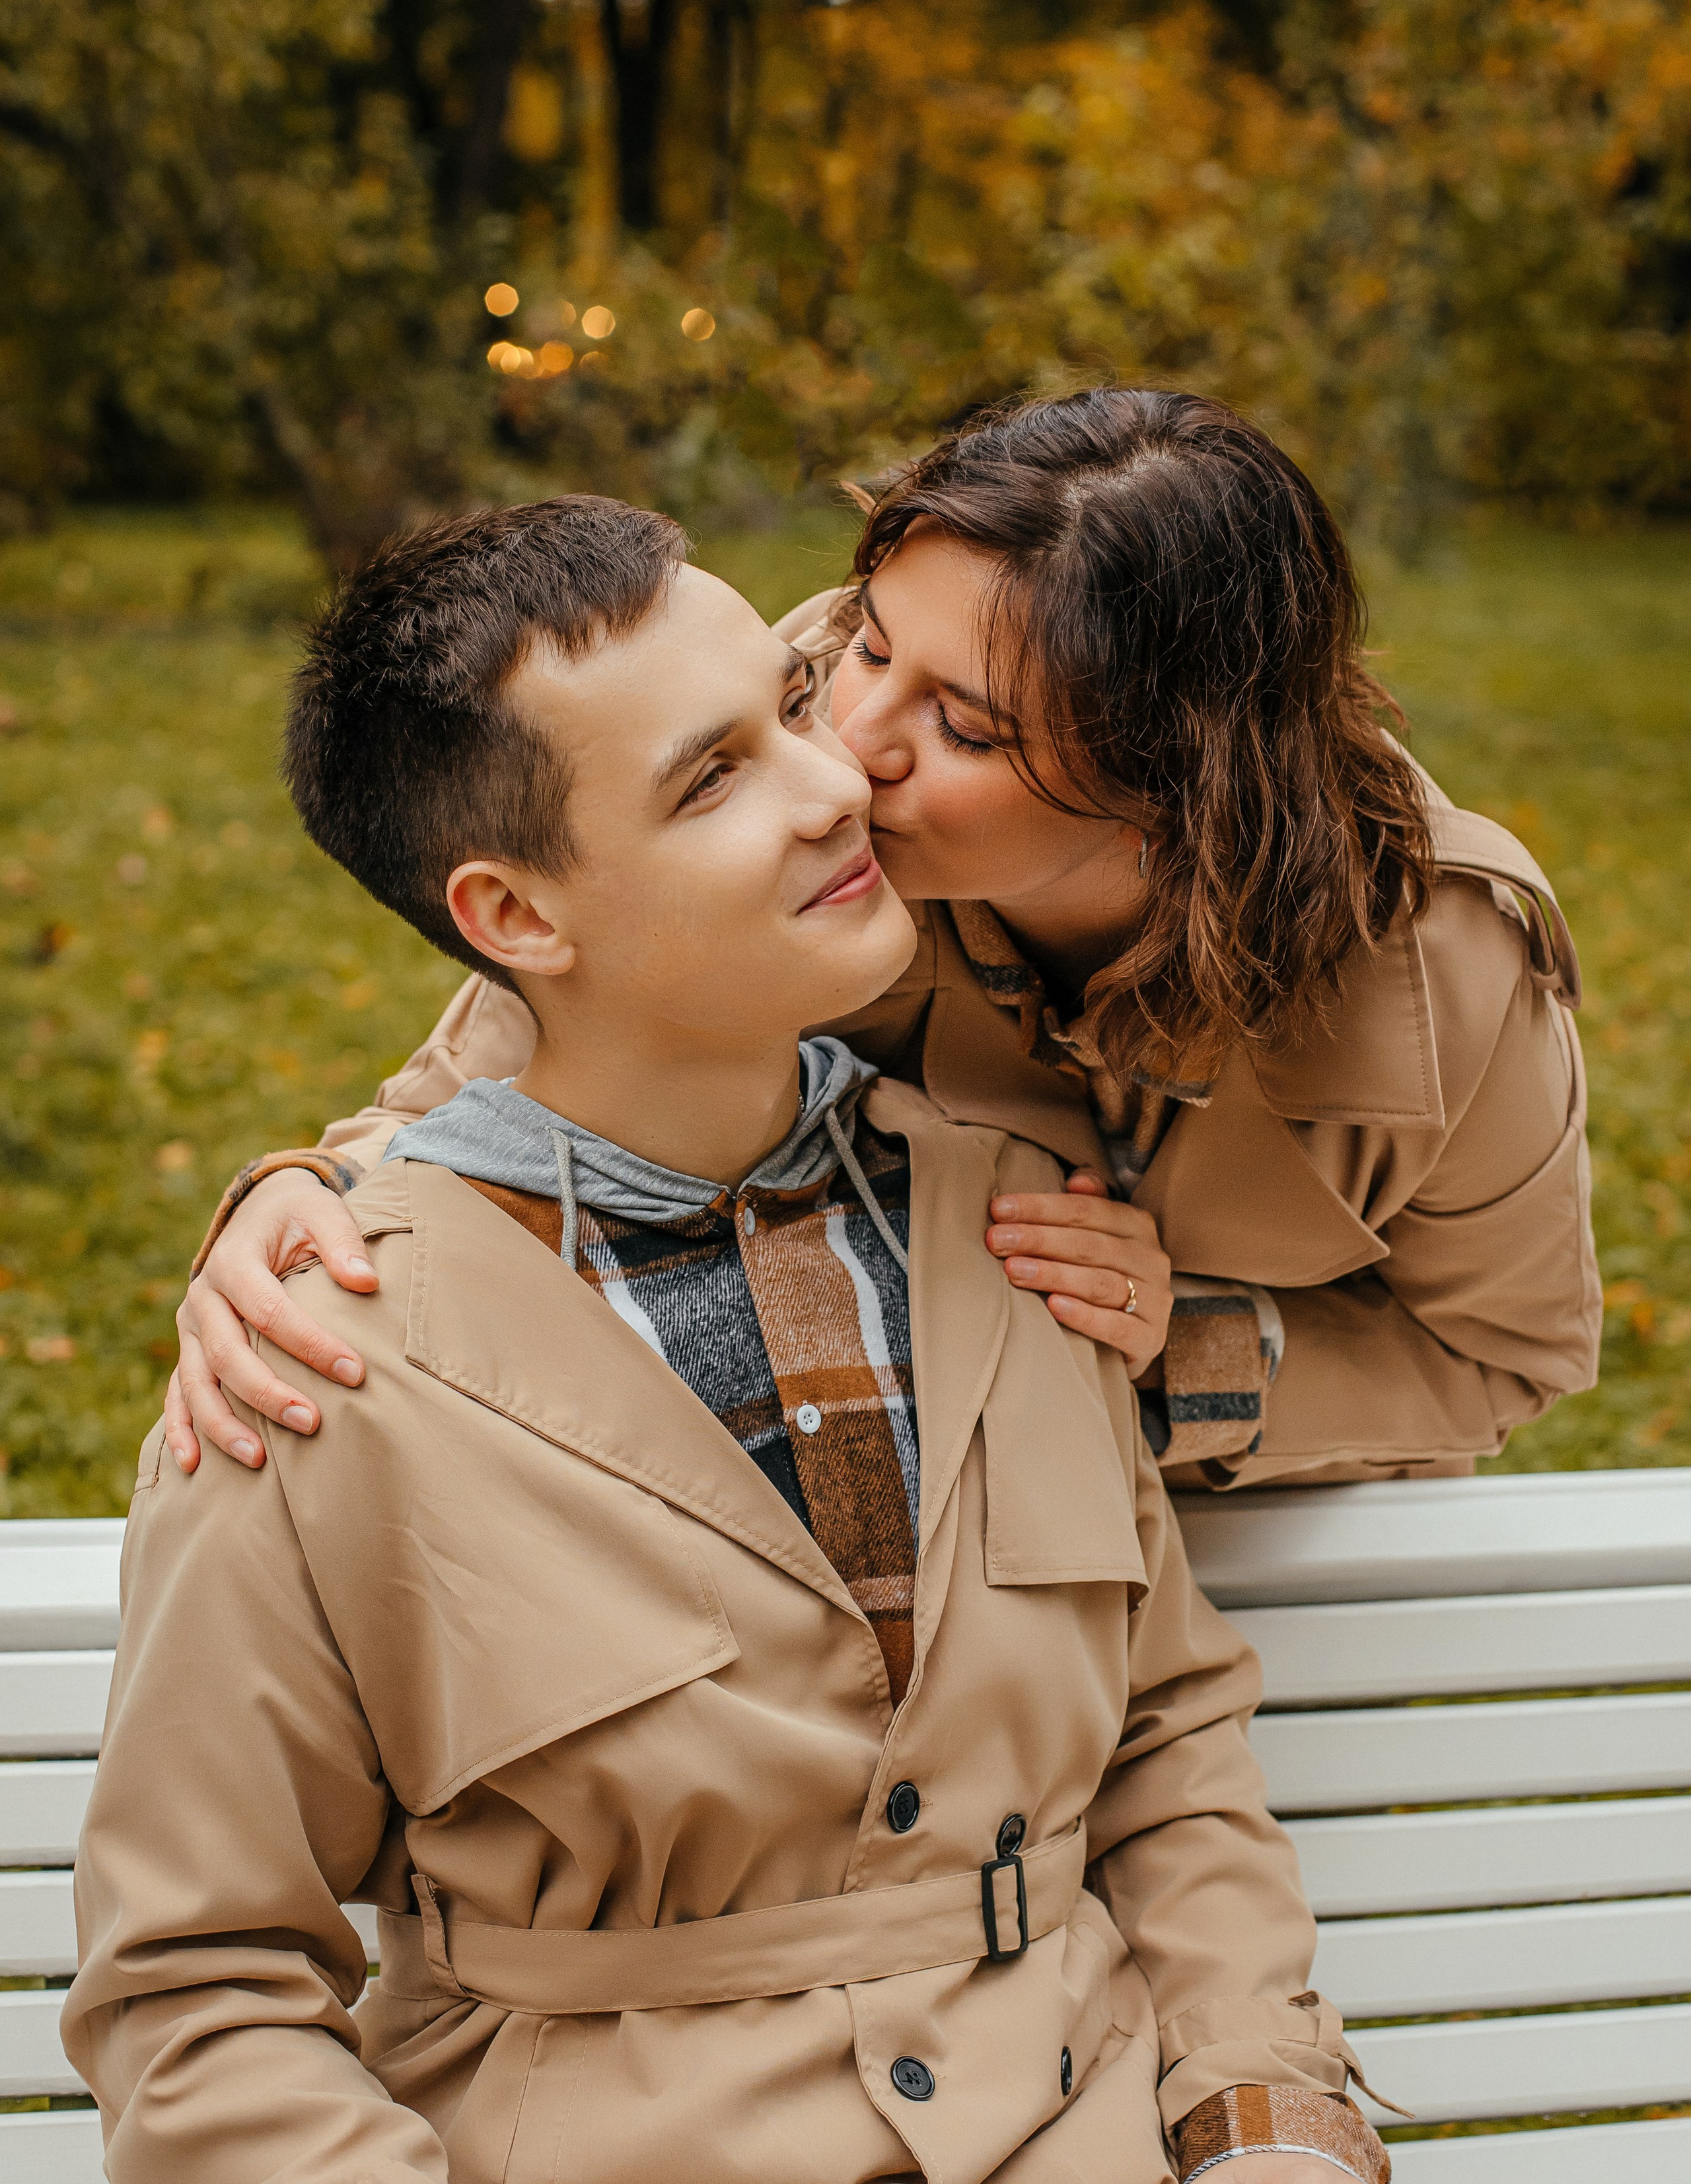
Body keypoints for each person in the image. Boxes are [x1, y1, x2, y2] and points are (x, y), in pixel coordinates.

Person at [65, 499, 1584, 2184]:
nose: (838, 776)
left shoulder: (1024, 1230)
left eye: (787, 709)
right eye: (718, 774)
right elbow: (193, 1987)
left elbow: (1163, 1742)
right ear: (516, 921)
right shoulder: (321, 1357)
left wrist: (1261, 2105)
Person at [164, 389, 1600, 1497]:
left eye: (963, 727)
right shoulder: (791, 724)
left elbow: (1500, 1352)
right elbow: (518, 1058)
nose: (849, 749)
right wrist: (304, 1192)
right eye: (865, 647)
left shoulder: (1441, 964)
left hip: (1246, 1579)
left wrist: (1185, 1344)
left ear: (1177, 787)